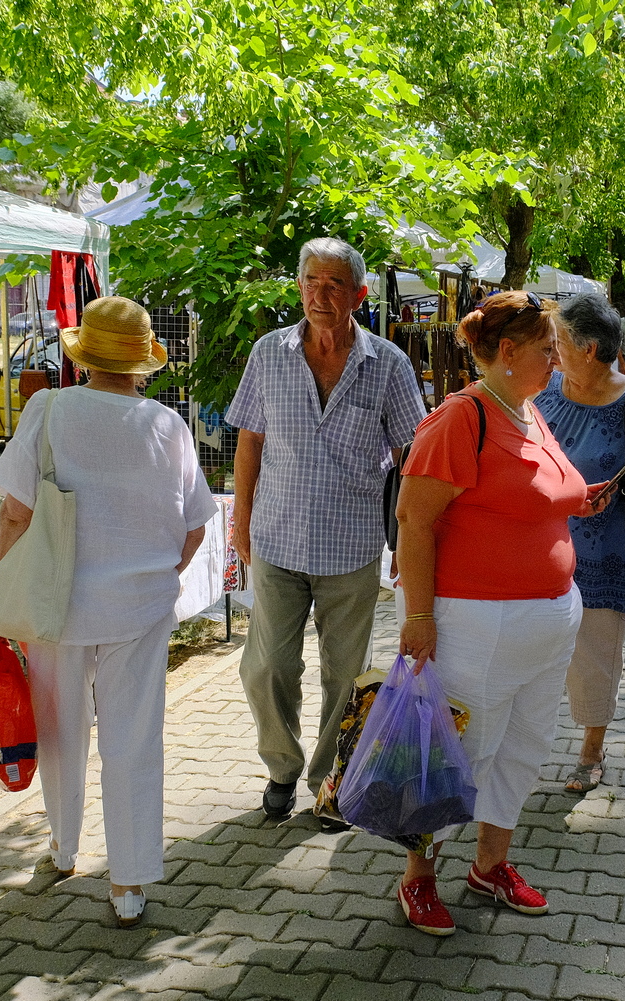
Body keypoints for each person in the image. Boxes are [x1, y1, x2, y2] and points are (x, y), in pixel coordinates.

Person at [0, 297, 217, 926]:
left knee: (61, 730)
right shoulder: (166, 426)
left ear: (82, 354)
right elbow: (196, 526)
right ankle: (130, 882)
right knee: (133, 740)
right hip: (139, 605)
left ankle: (62, 847)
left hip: (58, 601)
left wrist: (9, 584)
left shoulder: (49, 408)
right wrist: (153, 570)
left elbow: (15, 512)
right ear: (143, 362)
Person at [390, 291, 609, 935]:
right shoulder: (462, 418)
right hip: (477, 624)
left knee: (521, 747)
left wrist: (576, 501)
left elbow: (531, 494)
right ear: (507, 353)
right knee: (459, 753)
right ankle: (418, 879)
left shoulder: (530, 411)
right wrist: (419, 616)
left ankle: (491, 865)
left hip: (546, 622)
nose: (559, 362)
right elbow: (414, 518)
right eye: (548, 350)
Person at [228, 237, 429, 826]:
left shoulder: (387, 363)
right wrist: (241, 520)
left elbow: (410, 456)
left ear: (359, 295)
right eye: (311, 281)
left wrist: (408, 539)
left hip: (352, 547)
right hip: (277, 539)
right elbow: (249, 442)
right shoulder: (269, 354)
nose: (319, 294)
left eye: (334, 284)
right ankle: (281, 767)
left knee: (346, 675)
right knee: (266, 667)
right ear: (298, 287)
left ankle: (330, 780)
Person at [534, 296, 625, 794]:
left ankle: (592, 750)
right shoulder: (545, 390)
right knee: (531, 651)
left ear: (589, 348)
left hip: (606, 554)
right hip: (540, 549)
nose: (551, 352)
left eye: (558, 343)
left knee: (595, 656)